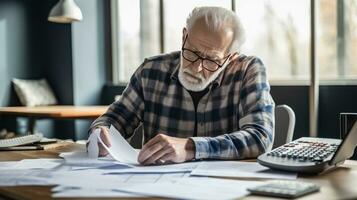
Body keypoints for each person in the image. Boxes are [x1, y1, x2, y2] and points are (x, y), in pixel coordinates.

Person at [88, 6, 275, 165]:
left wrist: (191, 148)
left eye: (212, 60)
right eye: (192, 52)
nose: (197, 67)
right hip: (155, 189)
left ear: (231, 57)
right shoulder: (151, 71)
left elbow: (260, 137)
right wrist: (101, 131)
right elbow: (116, 118)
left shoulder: (248, 71)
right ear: (184, 36)